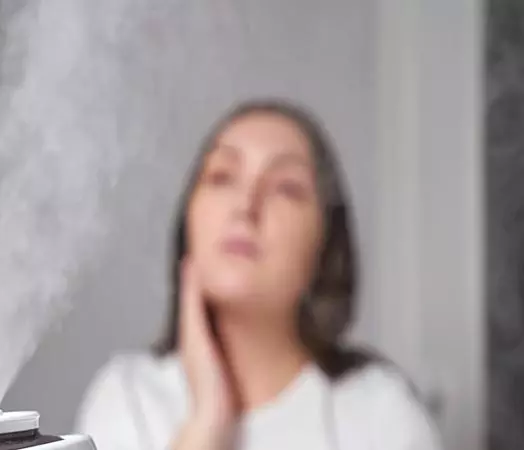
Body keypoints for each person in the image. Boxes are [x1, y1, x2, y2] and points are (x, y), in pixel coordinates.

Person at [74, 99, 441, 450]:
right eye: (221, 177)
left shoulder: (379, 412)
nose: (245, 206)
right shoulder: (128, 396)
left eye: (286, 188)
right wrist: (208, 421)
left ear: (326, 245)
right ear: (189, 225)